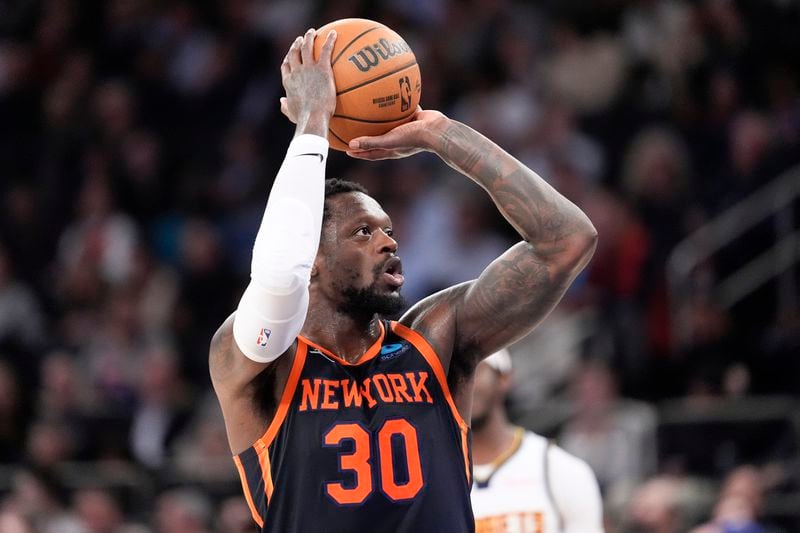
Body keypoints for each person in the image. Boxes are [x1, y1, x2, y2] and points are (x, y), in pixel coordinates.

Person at [209, 28, 597, 532]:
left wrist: (441, 135)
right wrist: (312, 122)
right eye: (363, 232)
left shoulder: (436, 336)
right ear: (315, 260)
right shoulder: (261, 362)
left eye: (390, 231)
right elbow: (280, 274)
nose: (388, 243)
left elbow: (567, 239)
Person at [470, 349, 603, 533]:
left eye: (474, 370)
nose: (465, 384)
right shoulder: (432, 476)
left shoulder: (558, 468)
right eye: (454, 376)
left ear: (504, 378)